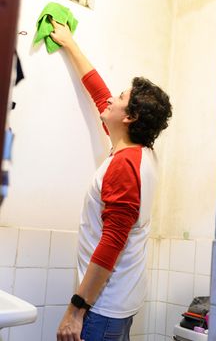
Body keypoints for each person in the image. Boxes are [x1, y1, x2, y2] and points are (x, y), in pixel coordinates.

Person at [50, 20, 172, 341]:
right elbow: (100, 94)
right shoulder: (138, 153)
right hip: (120, 303)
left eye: (120, 97)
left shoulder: (124, 166)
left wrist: (76, 310)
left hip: (101, 308)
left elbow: (111, 244)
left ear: (129, 117)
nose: (110, 99)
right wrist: (70, 44)